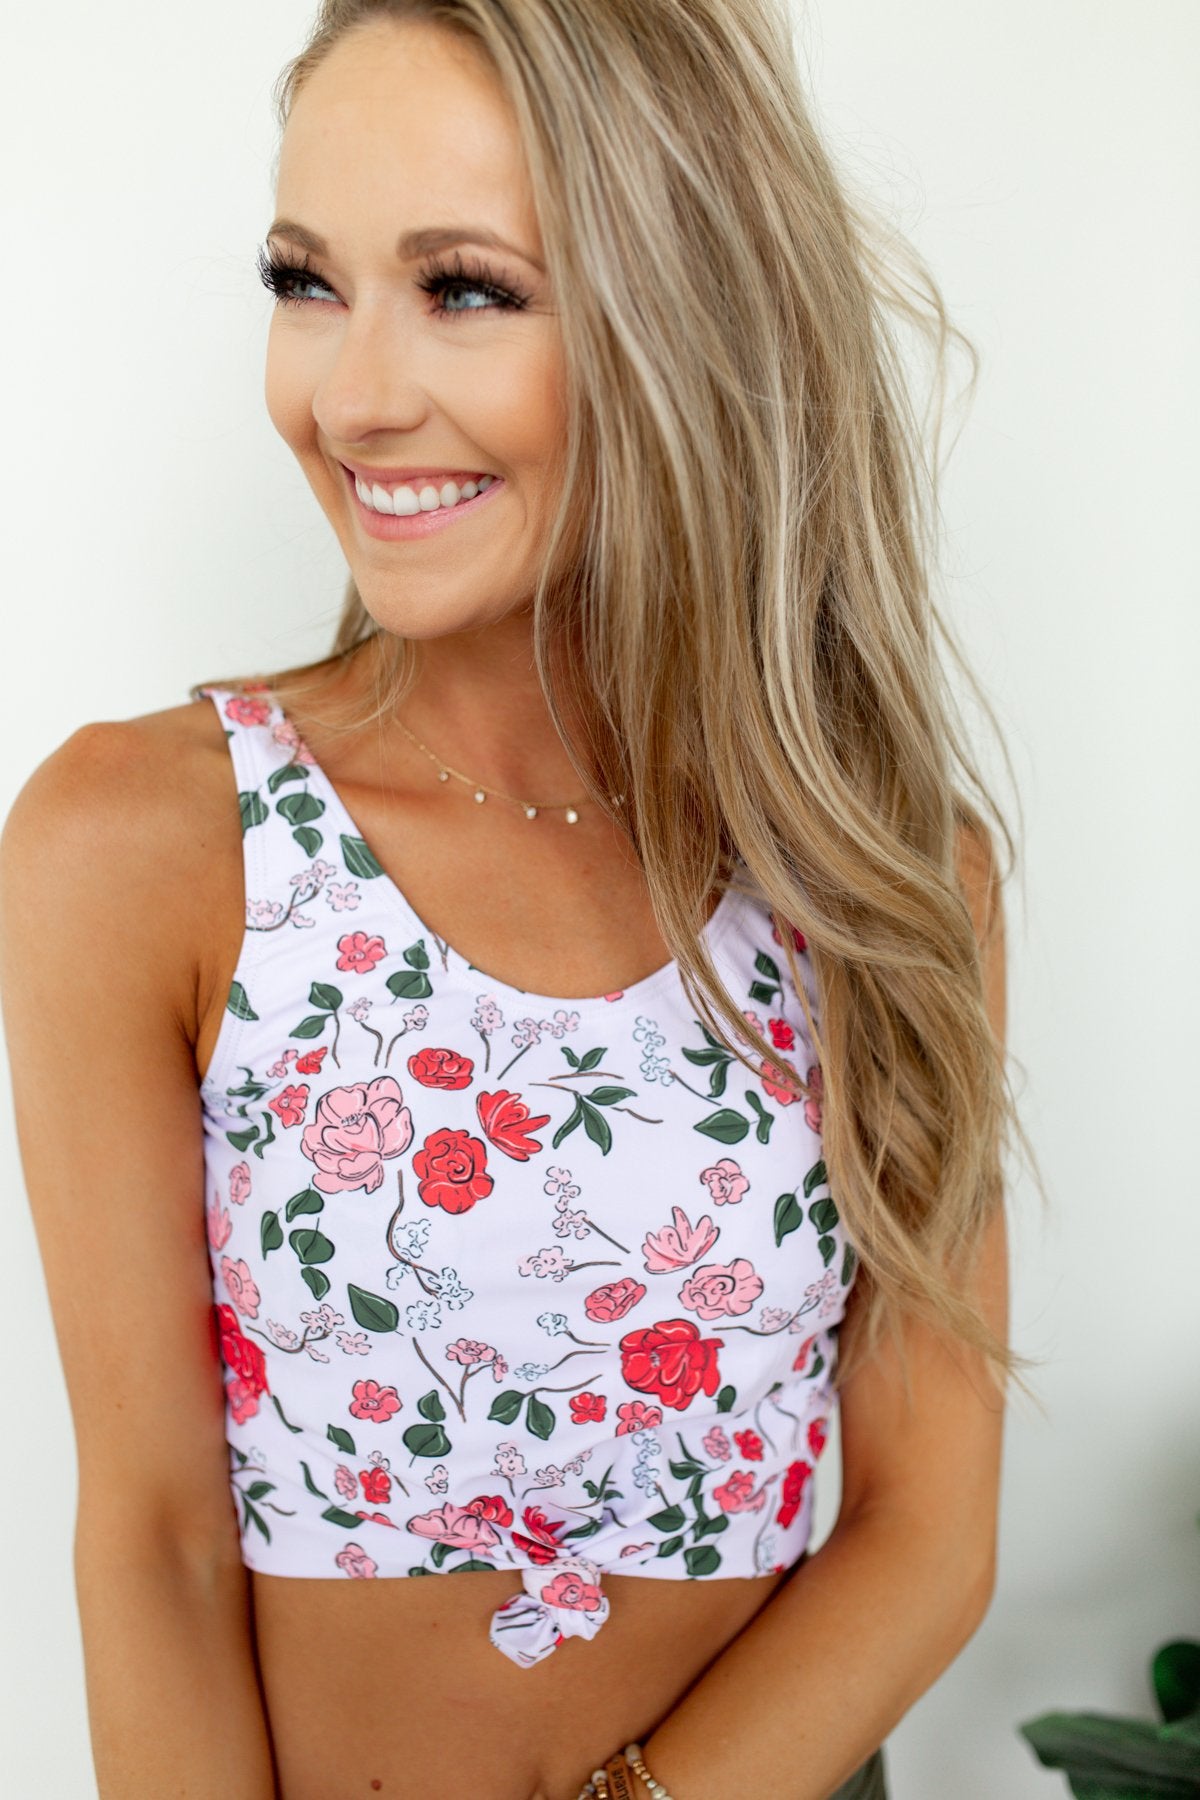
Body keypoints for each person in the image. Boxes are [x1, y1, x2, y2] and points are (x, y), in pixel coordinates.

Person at [0, 2, 1033, 1795]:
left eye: (465, 289)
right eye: (306, 281)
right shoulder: (147, 846)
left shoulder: (871, 877)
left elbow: (925, 1536)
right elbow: (155, 1544)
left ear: (681, 316)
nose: (350, 396)